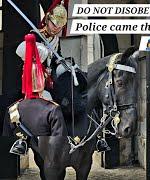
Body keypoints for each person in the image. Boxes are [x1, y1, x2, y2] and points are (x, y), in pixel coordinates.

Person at [14, 0, 109, 152]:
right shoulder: (35, 36)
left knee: (76, 87)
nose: (56, 28)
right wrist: (38, 49)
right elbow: (21, 51)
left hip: (52, 79)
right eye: (54, 24)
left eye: (60, 26)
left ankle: (91, 133)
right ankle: (23, 140)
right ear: (47, 20)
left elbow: (57, 59)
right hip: (36, 80)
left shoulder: (55, 39)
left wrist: (67, 65)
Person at [3, 34, 68, 155]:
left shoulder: (36, 65)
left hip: (31, 93)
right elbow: (39, 83)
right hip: (33, 92)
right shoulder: (33, 67)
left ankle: (22, 141)